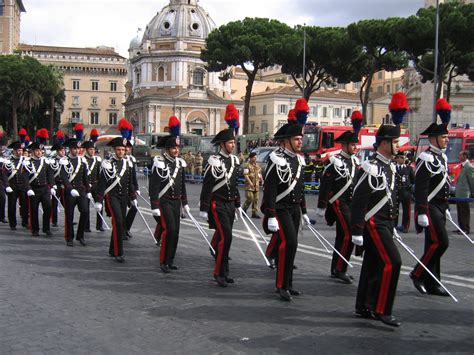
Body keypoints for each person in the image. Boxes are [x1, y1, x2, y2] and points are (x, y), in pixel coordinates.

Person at [351, 93, 406, 327]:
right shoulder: (370, 167)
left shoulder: (389, 167)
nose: (398, 146)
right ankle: (382, 308)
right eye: (395, 142)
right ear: (384, 143)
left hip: (385, 223)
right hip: (373, 223)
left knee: (373, 263)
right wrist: (356, 229)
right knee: (393, 262)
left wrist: (393, 225)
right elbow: (358, 199)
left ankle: (364, 305)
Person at [262, 98, 310, 302]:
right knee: (287, 242)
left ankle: (288, 282)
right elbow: (270, 189)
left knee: (293, 244)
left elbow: (300, 188)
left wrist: (304, 211)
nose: (301, 142)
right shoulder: (276, 159)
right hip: (280, 208)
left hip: (294, 209)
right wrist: (271, 214)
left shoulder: (299, 159)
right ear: (286, 140)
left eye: (301, 139)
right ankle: (281, 285)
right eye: (297, 139)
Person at [410, 98, 456, 298]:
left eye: (447, 137)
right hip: (429, 206)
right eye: (444, 137)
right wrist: (421, 211)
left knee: (433, 244)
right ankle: (417, 273)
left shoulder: (441, 158)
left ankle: (433, 282)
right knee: (441, 243)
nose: (447, 140)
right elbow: (420, 188)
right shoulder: (426, 158)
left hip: (439, 206)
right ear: (434, 138)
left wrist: (445, 206)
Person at [317, 112, 361, 284]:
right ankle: (340, 268)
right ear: (344, 145)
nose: (355, 148)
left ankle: (336, 268)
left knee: (342, 236)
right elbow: (325, 185)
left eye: (355, 145)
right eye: (352, 145)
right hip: (338, 203)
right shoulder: (335, 162)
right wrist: (321, 206)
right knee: (349, 234)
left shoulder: (355, 162)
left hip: (350, 203)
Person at [199, 127, 241, 287]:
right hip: (218, 204)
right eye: (230, 142)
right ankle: (218, 273)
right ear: (222, 144)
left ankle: (225, 271)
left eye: (233, 142)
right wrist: (204, 207)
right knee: (226, 237)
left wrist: (237, 204)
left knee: (226, 238)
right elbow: (207, 186)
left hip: (229, 204)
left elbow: (234, 184)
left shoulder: (234, 161)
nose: (233, 145)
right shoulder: (214, 161)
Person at [149, 116, 189, 273]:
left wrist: (185, 203)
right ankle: (163, 261)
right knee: (169, 230)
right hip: (164, 201)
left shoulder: (180, 163)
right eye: (173, 148)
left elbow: (182, 185)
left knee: (176, 232)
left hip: (176, 202)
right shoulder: (160, 163)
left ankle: (171, 259)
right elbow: (154, 186)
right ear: (167, 149)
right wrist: (154, 206)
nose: (176, 150)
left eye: (178, 148)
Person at [96, 137, 138, 263]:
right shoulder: (108, 164)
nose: (121, 152)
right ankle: (119, 252)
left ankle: (112, 249)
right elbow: (102, 183)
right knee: (118, 221)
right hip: (112, 196)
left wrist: (133, 197)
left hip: (124, 197)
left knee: (120, 222)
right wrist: (99, 200)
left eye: (123, 150)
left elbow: (130, 183)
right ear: (114, 150)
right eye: (119, 149)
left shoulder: (128, 164)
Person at [60, 139, 90, 247]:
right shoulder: (64, 161)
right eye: (74, 148)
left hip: (81, 190)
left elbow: (85, 177)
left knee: (85, 211)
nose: (76, 151)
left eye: (78, 148)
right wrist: (69, 188)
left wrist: (88, 191)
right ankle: (69, 237)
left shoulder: (82, 161)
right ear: (70, 149)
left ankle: (80, 235)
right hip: (69, 191)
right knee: (70, 215)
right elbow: (63, 176)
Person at [23, 139, 55, 237]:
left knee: (48, 207)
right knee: (34, 210)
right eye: (37, 151)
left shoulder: (45, 161)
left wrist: (53, 186)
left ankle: (46, 228)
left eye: (40, 151)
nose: (39, 153)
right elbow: (25, 177)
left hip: (45, 188)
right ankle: (35, 229)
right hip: (34, 189)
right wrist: (28, 189)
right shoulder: (27, 162)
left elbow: (50, 175)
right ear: (32, 151)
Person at [4, 141, 30, 230]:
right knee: (12, 205)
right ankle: (12, 223)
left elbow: (29, 172)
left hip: (23, 185)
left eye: (21, 150)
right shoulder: (8, 161)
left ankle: (25, 222)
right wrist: (7, 185)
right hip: (13, 185)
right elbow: (4, 174)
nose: (20, 152)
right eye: (18, 150)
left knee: (25, 205)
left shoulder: (25, 160)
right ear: (14, 151)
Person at [83, 140, 104, 232]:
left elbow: (99, 173)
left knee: (99, 204)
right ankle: (86, 226)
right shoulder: (83, 160)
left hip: (95, 185)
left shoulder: (97, 160)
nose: (92, 151)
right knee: (86, 207)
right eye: (90, 149)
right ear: (86, 150)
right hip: (86, 186)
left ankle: (99, 225)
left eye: (93, 149)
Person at [394, 153, 414, 233]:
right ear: (397, 159)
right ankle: (394, 226)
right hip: (396, 192)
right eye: (401, 157)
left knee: (406, 210)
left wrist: (409, 187)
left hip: (405, 192)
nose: (403, 159)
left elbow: (413, 179)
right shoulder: (393, 168)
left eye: (404, 157)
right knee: (395, 210)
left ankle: (405, 226)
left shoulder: (408, 168)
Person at [50, 133, 66, 228]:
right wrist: (52, 185)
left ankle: (69, 219)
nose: (63, 152)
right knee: (54, 203)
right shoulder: (53, 160)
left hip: (65, 184)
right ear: (57, 151)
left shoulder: (67, 160)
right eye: (61, 150)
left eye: (64, 150)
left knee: (67, 203)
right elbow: (51, 174)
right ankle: (54, 220)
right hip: (56, 184)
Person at [455, 150, 474, 234]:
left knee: (464, 212)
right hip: (459, 194)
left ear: (465, 156)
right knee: (460, 211)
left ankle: (466, 228)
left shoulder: (469, 167)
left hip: (464, 194)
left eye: (460, 155)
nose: (458, 156)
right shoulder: (463, 166)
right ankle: (461, 227)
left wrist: (472, 192)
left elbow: (472, 180)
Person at [124, 143, 139, 239]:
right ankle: (121, 231)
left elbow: (134, 176)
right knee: (121, 211)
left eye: (129, 147)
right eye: (126, 147)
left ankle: (126, 228)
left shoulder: (131, 160)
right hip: (120, 189)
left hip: (130, 188)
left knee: (134, 207)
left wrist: (137, 188)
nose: (127, 149)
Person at [242, 152, 262, 219]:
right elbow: (245, 175)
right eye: (254, 157)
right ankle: (244, 209)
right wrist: (250, 182)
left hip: (256, 185)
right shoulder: (247, 165)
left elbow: (259, 174)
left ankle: (254, 213)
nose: (255, 158)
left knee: (256, 199)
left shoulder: (258, 166)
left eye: (256, 157)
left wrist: (261, 179)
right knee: (250, 198)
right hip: (249, 186)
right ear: (250, 158)